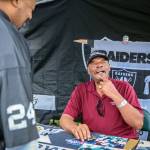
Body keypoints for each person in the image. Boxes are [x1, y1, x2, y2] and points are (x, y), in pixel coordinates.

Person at [60, 50, 144, 142]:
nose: (99, 65)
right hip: (92, 140)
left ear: (109, 67)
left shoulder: (125, 87)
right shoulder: (81, 90)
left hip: (123, 141)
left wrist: (115, 95)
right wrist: (75, 128)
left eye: (103, 62)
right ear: (88, 70)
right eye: (93, 63)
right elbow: (65, 118)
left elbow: (138, 124)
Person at [0, 0, 39, 149]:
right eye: (31, 9)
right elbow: (22, 140)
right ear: (16, 1)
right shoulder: (8, 38)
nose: (30, 16)